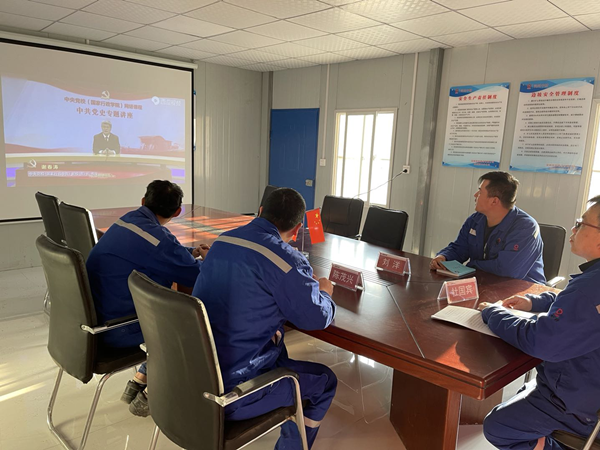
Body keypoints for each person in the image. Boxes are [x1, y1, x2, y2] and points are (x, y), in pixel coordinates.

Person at [192, 187, 337, 450]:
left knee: (277, 346)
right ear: (297, 230)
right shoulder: (287, 260)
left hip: (194, 377)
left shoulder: (223, 241)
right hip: (232, 393)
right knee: (324, 382)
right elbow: (315, 318)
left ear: (259, 212)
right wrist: (325, 292)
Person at [478, 195, 600, 450]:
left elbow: (542, 341)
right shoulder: (592, 282)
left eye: (581, 223)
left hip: (579, 404)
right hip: (588, 385)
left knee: (498, 427)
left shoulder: (591, 288)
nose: (574, 229)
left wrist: (494, 313)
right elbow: (575, 303)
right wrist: (534, 302)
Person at [86, 180, 210, 417]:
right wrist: (207, 259)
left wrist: (189, 252)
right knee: (194, 329)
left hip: (100, 318)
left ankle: (141, 377)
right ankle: (150, 395)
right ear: (177, 212)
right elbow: (196, 275)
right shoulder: (158, 239)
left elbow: (155, 250)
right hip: (119, 327)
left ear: (143, 201)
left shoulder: (127, 221)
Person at [430, 171, 545, 284]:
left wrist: (472, 265)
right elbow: (459, 248)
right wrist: (443, 257)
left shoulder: (526, 228)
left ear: (494, 201)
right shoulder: (475, 220)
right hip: (483, 284)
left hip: (522, 290)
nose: (475, 195)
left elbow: (507, 270)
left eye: (480, 192)